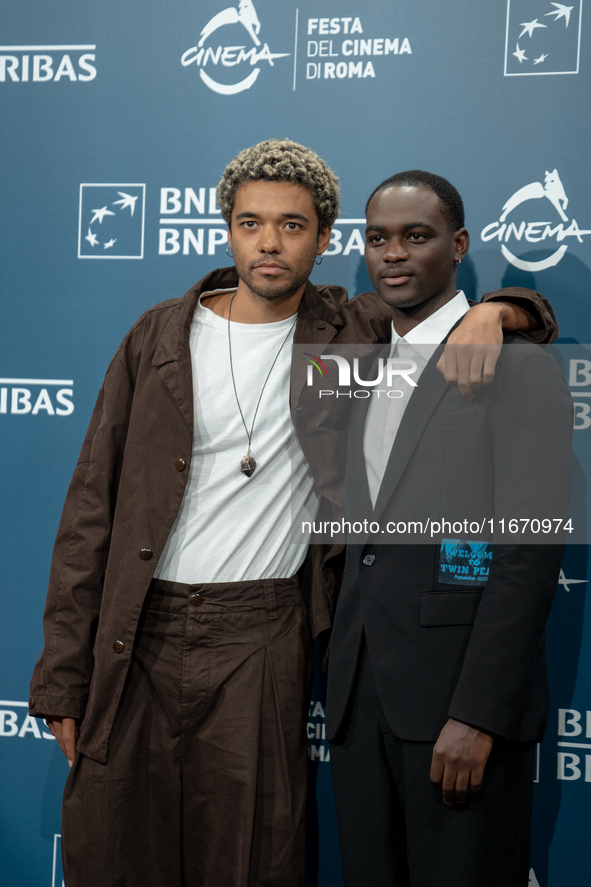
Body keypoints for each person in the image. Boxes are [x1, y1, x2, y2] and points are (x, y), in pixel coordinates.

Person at [29, 143, 556, 887]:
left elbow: (442, 310)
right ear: (226, 229)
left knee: (251, 854)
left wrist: (505, 309)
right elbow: (90, 508)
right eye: (250, 223)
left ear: (324, 239)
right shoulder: (157, 337)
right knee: (116, 847)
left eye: (292, 225)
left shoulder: (345, 329)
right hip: (136, 629)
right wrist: (62, 674)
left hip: (263, 631)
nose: (269, 242)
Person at [326, 170, 573, 887]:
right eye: (377, 238)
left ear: (458, 245)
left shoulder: (517, 364)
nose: (392, 253)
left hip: (457, 714)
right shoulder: (358, 361)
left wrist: (477, 714)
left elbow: (528, 553)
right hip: (358, 703)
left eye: (415, 235)